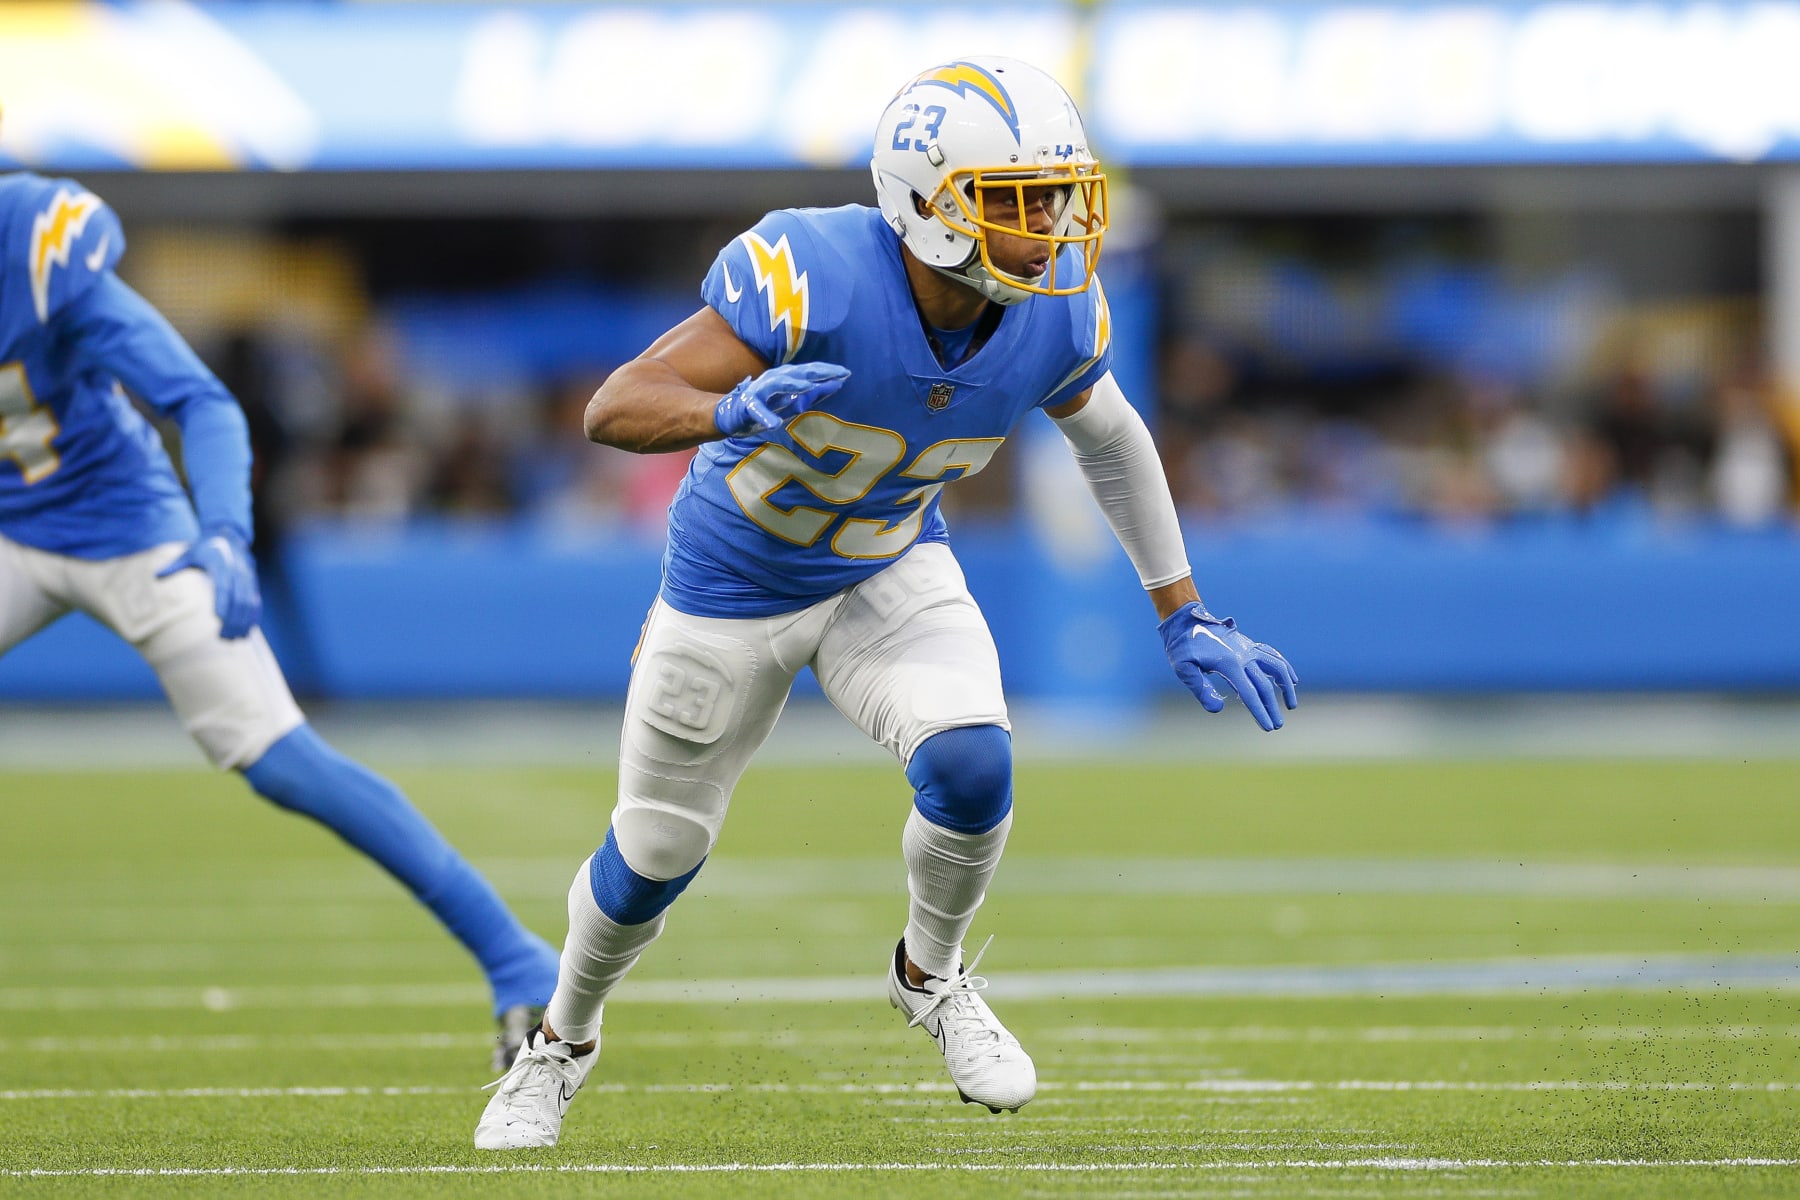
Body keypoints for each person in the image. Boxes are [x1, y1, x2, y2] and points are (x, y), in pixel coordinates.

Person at [474, 57, 1298, 1150]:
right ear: (930, 207)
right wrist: (728, 410)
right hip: (731, 588)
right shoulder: (816, 269)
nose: (1051, 224)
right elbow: (617, 406)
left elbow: (1112, 439)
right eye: (1018, 201)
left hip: (884, 564)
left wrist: (1181, 607)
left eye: (1057, 196)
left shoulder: (1050, 316)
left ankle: (932, 974)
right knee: (655, 855)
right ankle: (563, 1042)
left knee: (973, 761)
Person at [0, 164, 560, 1071]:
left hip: (129, 528)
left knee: (280, 758)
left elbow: (200, 400)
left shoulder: (35, 250)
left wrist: (222, 530)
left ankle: (515, 957)